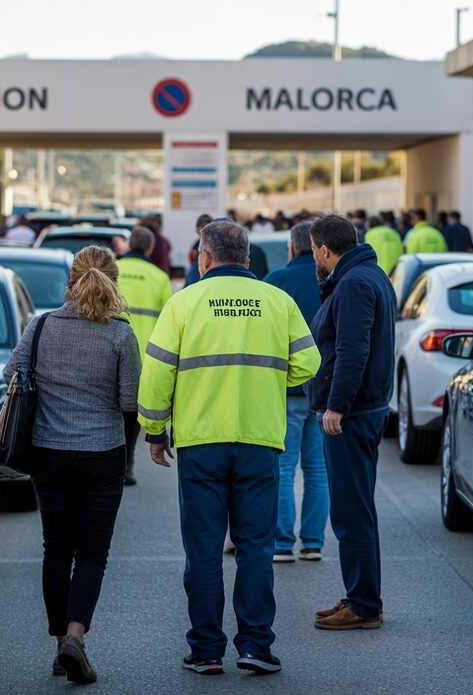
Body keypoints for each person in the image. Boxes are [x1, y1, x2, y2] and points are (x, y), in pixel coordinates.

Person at [138, 220, 320, 676]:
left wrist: (155, 430)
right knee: (256, 547)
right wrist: (268, 383)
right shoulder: (278, 302)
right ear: (247, 255)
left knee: (202, 550)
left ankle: (205, 652)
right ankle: (256, 646)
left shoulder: (184, 303)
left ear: (204, 257)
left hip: (201, 443)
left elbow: (156, 375)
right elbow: (310, 363)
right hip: (259, 439)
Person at [1, 246, 140, 684]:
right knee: (93, 553)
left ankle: (61, 640)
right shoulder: (120, 335)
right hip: (102, 454)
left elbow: (11, 374)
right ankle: (76, 638)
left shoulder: (40, 326)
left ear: (70, 281)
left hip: (48, 452)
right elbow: (129, 401)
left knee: (57, 549)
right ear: (113, 282)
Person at [307, 215, 396, 631]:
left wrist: (336, 406)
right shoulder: (369, 274)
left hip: (353, 413)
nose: (314, 259)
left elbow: (352, 350)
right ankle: (360, 595)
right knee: (357, 508)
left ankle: (363, 604)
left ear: (325, 249)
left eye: (313, 251)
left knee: (350, 512)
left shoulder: (356, 283)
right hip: (366, 409)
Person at [263, 222, 328, 563]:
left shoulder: (275, 282)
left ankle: (283, 543)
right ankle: (314, 543)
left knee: (284, 468)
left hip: (285, 392)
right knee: (318, 470)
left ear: (292, 248)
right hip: (323, 392)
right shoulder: (332, 281)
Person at [116, 227, 172, 486]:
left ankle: (110, 463)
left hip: (111, 349)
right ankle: (127, 466)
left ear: (129, 244)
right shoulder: (159, 277)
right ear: (149, 248)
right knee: (131, 413)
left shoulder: (113, 270)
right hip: (144, 354)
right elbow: (169, 319)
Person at [183, 214, 214, 286]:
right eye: (204, 227)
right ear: (197, 230)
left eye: (211, 227)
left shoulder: (219, 247)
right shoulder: (196, 246)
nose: (208, 231)